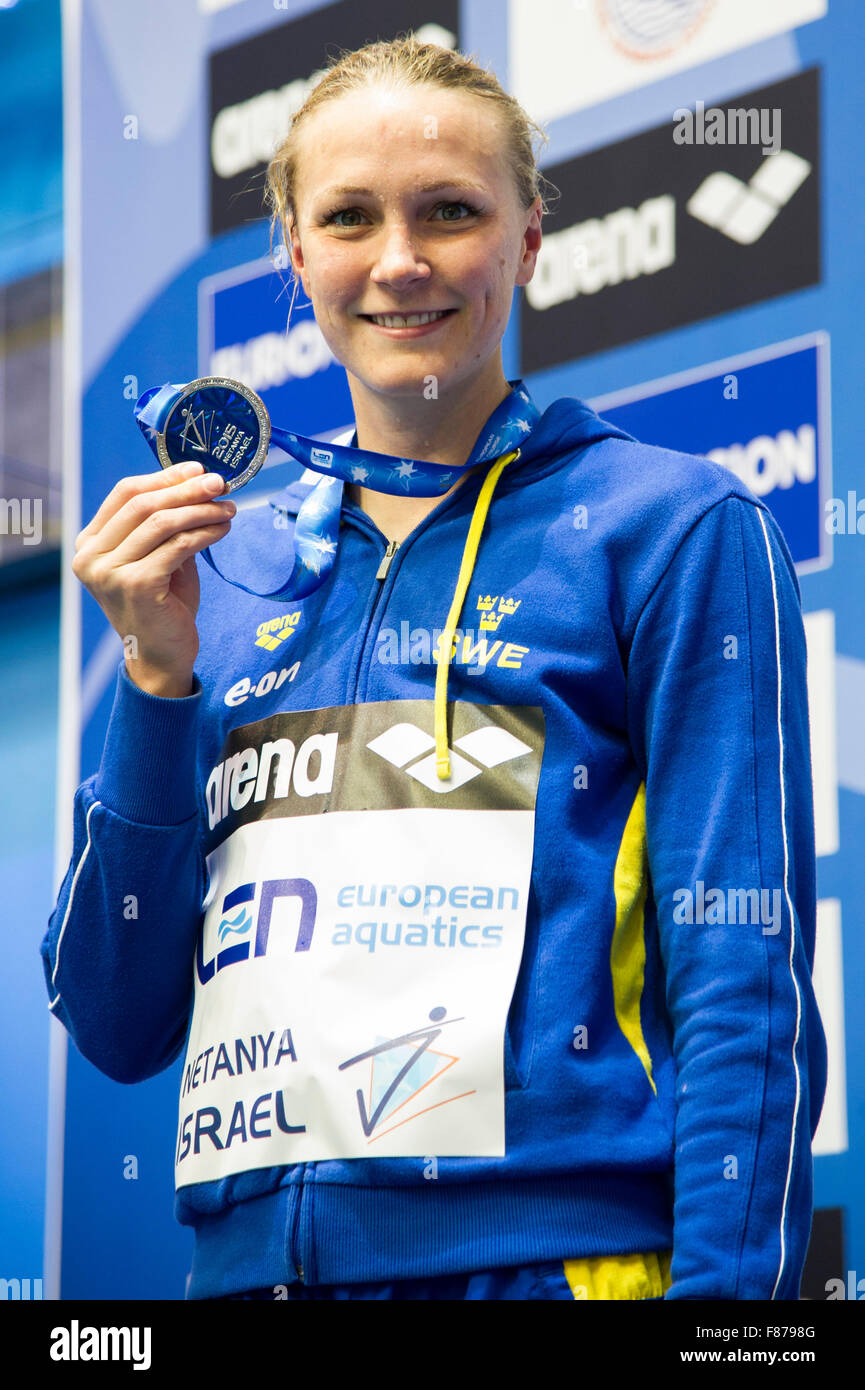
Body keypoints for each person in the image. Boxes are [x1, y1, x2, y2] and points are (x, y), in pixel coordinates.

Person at [42, 35, 827, 1302]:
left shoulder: (666, 528)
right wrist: (151, 676)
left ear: (526, 240)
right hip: (246, 1279)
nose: (399, 261)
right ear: (295, 256)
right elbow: (116, 1021)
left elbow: (743, 980)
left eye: (450, 212)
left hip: (549, 1264)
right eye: (349, 217)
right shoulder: (214, 576)